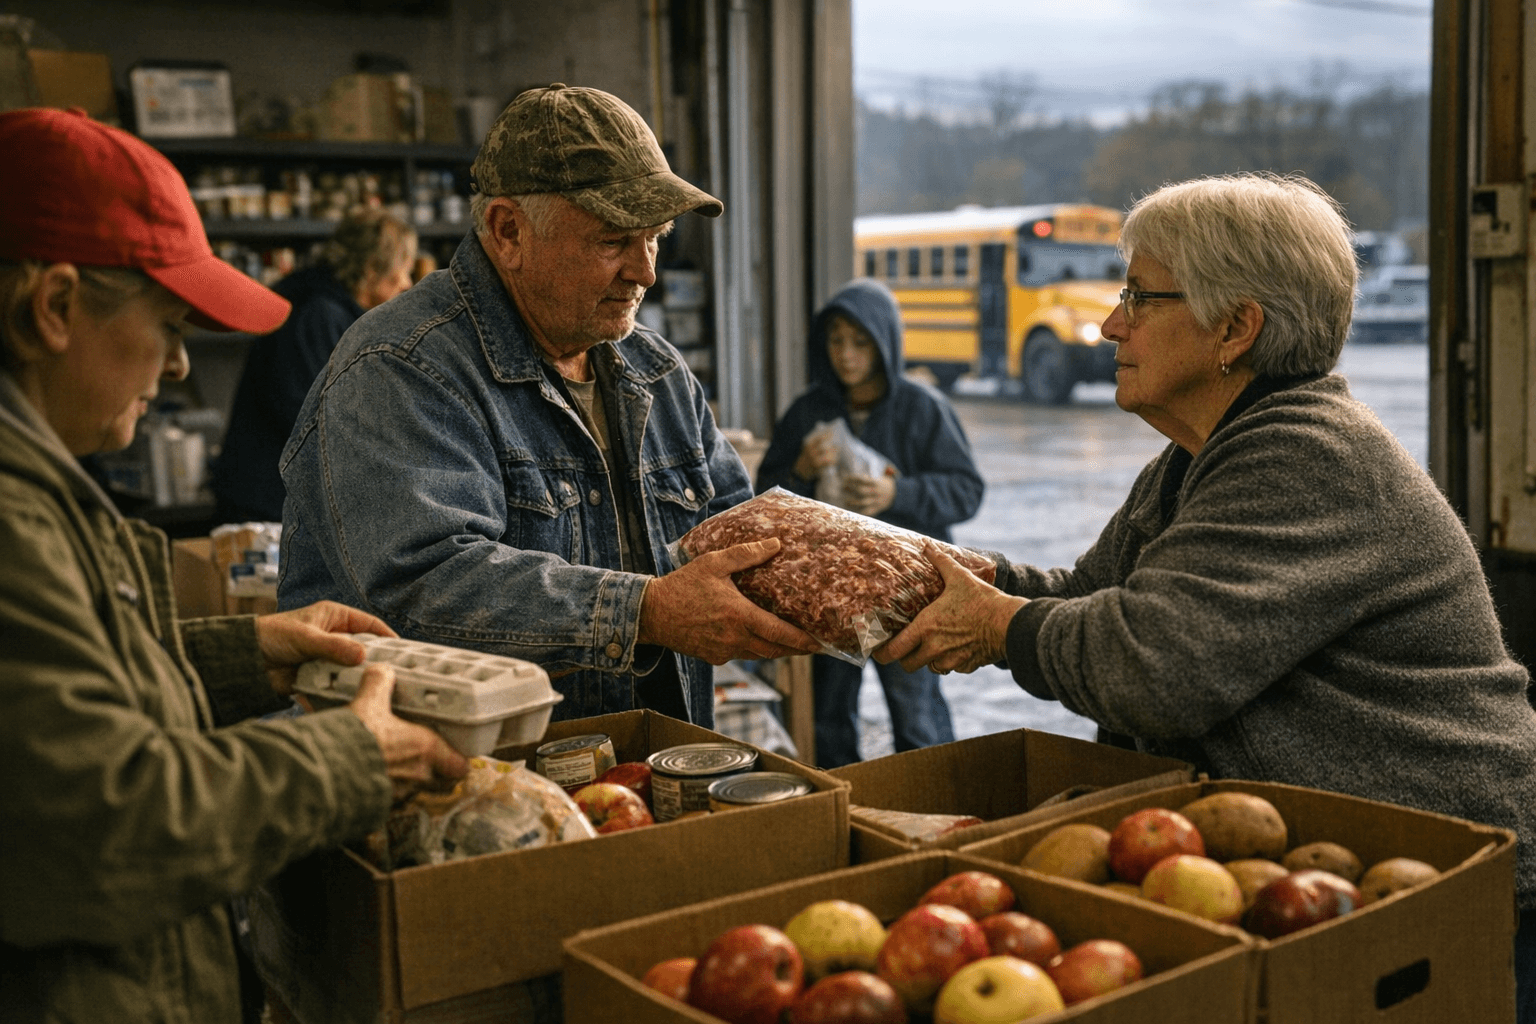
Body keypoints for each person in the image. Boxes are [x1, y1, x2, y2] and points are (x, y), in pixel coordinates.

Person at [874, 172, 1536, 1020]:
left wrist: (999, 624)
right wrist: (953, 577)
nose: (1111, 322)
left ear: (1236, 327)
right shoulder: (1200, 454)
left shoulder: (1306, 454)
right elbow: (1089, 598)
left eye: (1139, 297)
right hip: (1316, 873)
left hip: (1439, 882)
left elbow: (1151, 663)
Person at [0, 109, 467, 1024]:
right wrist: (345, 758)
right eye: (170, 324)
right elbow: (109, 830)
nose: (178, 365)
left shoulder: (42, 487)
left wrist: (236, 656)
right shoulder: (12, 519)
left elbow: (50, 718)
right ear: (54, 308)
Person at [278, 84, 818, 728]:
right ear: (508, 232)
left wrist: (901, 579)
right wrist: (646, 612)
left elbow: (742, 534)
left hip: (638, 772)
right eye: (614, 240)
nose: (645, 272)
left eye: (657, 237)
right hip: (453, 782)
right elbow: (420, 587)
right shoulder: (400, 367)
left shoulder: (658, 373)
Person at [755, 278, 983, 766]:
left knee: (916, 713)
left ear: (886, 343)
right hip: (831, 595)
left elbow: (966, 491)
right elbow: (764, 495)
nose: (846, 355)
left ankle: (934, 807)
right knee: (828, 715)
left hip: (908, 593)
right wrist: (800, 470)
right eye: (836, 341)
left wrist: (897, 492)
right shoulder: (807, 411)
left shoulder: (924, 409)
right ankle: (844, 810)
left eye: (860, 342)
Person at [212, 207, 418, 524]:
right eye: (402, 270)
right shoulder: (319, 315)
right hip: (266, 501)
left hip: (278, 496)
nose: (407, 283)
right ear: (371, 269)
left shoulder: (331, 309)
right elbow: (318, 421)